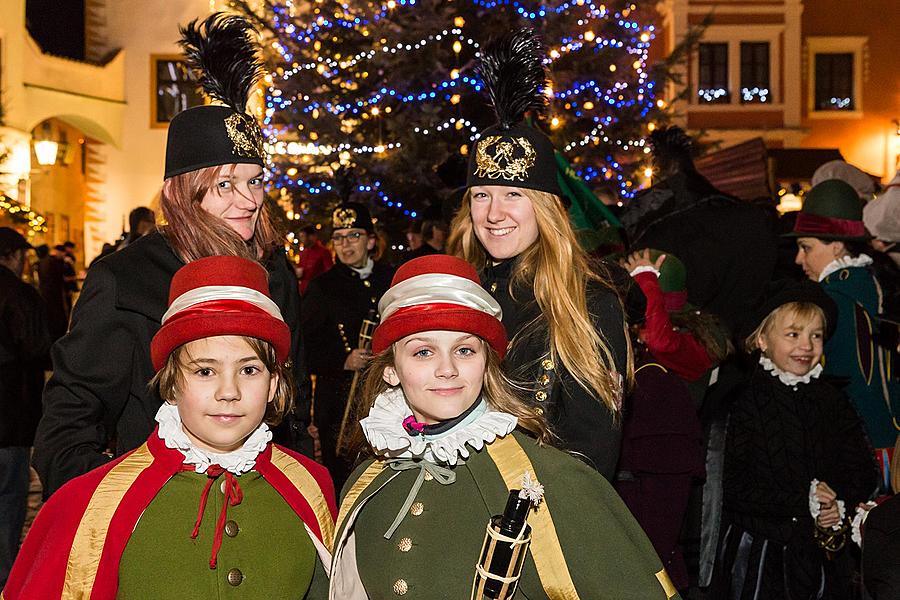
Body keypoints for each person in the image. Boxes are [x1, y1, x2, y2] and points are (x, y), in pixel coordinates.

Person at [32, 13, 311, 498]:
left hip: (263, 513)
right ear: (183, 193)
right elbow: (63, 432)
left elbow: (293, 410)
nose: (247, 200)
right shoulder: (127, 279)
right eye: (224, 184)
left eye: (254, 181)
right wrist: (134, 506)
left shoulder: (273, 272)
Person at [329, 254, 680, 600]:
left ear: (487, 363)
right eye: (423, 352)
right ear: (391, 370)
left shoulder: (547, 478)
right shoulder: (365, 485)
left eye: (465, 350)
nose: (447, 368)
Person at [3, 255, 335, 599]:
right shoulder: (92, 505)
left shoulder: (310, 487)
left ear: (274, 383)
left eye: (249, 370)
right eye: (204, 371)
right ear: (172, 382)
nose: (229, 392)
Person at [447, 29, 630, 478]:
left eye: (513, 194)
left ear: (545, 208)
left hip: (538, 521)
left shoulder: (587, 301)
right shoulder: (457, 291)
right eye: (481, 195)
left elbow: (592, 456)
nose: (494, 213)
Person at [710, 279, 878, 599]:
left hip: (824, 558)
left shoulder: (832, 399)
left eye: (816, 335)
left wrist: (836, 502)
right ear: (761, 339)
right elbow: (733, 487)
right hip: (762, 556)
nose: (807, 345)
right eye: (793, 334)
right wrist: (804, 499)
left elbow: (862, 468)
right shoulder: (742, 403)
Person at [788, 179, 900, 490]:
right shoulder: (876, 283)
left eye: (806, 247)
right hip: (890, 440)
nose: (799, 260)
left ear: (836, 246)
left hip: (864, 451)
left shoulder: (834, 300)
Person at [301, 203, 393, 486]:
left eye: (354, 235)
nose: (346, 244)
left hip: (386, 397)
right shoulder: (322, 287)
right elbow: (305, 347)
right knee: (341, 476)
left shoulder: (390, 279)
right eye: (339, 237)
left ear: (371, 240)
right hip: (339, 403)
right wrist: (343, 359)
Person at [0, 228, 51, 589]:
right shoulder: (19, 295)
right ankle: (5, 580)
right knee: (8, 502)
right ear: (13, 256)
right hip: (10, 416)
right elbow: (37, 347)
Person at [296, 225, 333, 294]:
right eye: (300, 237)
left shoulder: (324, 252)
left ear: (311, 236)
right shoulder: (303, 253)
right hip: (304, 291)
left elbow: (329, 272)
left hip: (319, 291)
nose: (301, 239)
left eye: (303, 236)